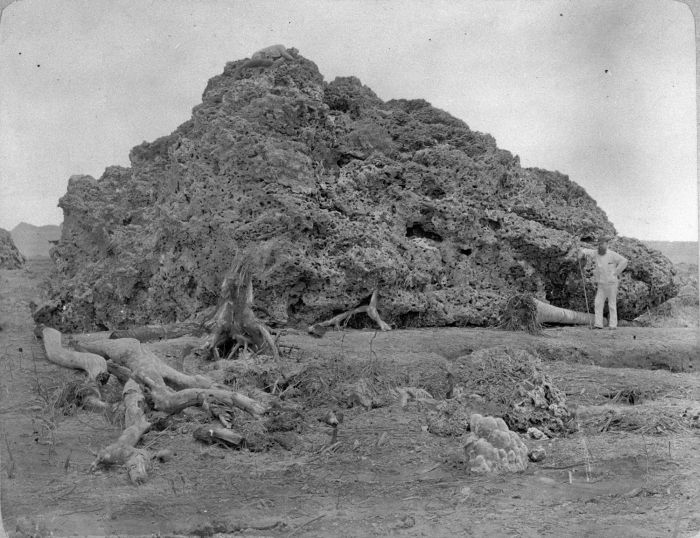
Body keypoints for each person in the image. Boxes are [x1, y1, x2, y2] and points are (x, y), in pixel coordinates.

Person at [574, 237, 628, 329]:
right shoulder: (596, 253)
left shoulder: (612, 254)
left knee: (612, 304)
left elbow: (624, 261)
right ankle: (598, 324)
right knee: (598, 303)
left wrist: (616, 272)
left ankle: (613, 325)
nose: (600, 246)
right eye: (599, 244)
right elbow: (586, 251)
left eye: (602, 244)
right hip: (601, 284)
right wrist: (581, 251)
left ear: (607, 244)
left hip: (611, 283)